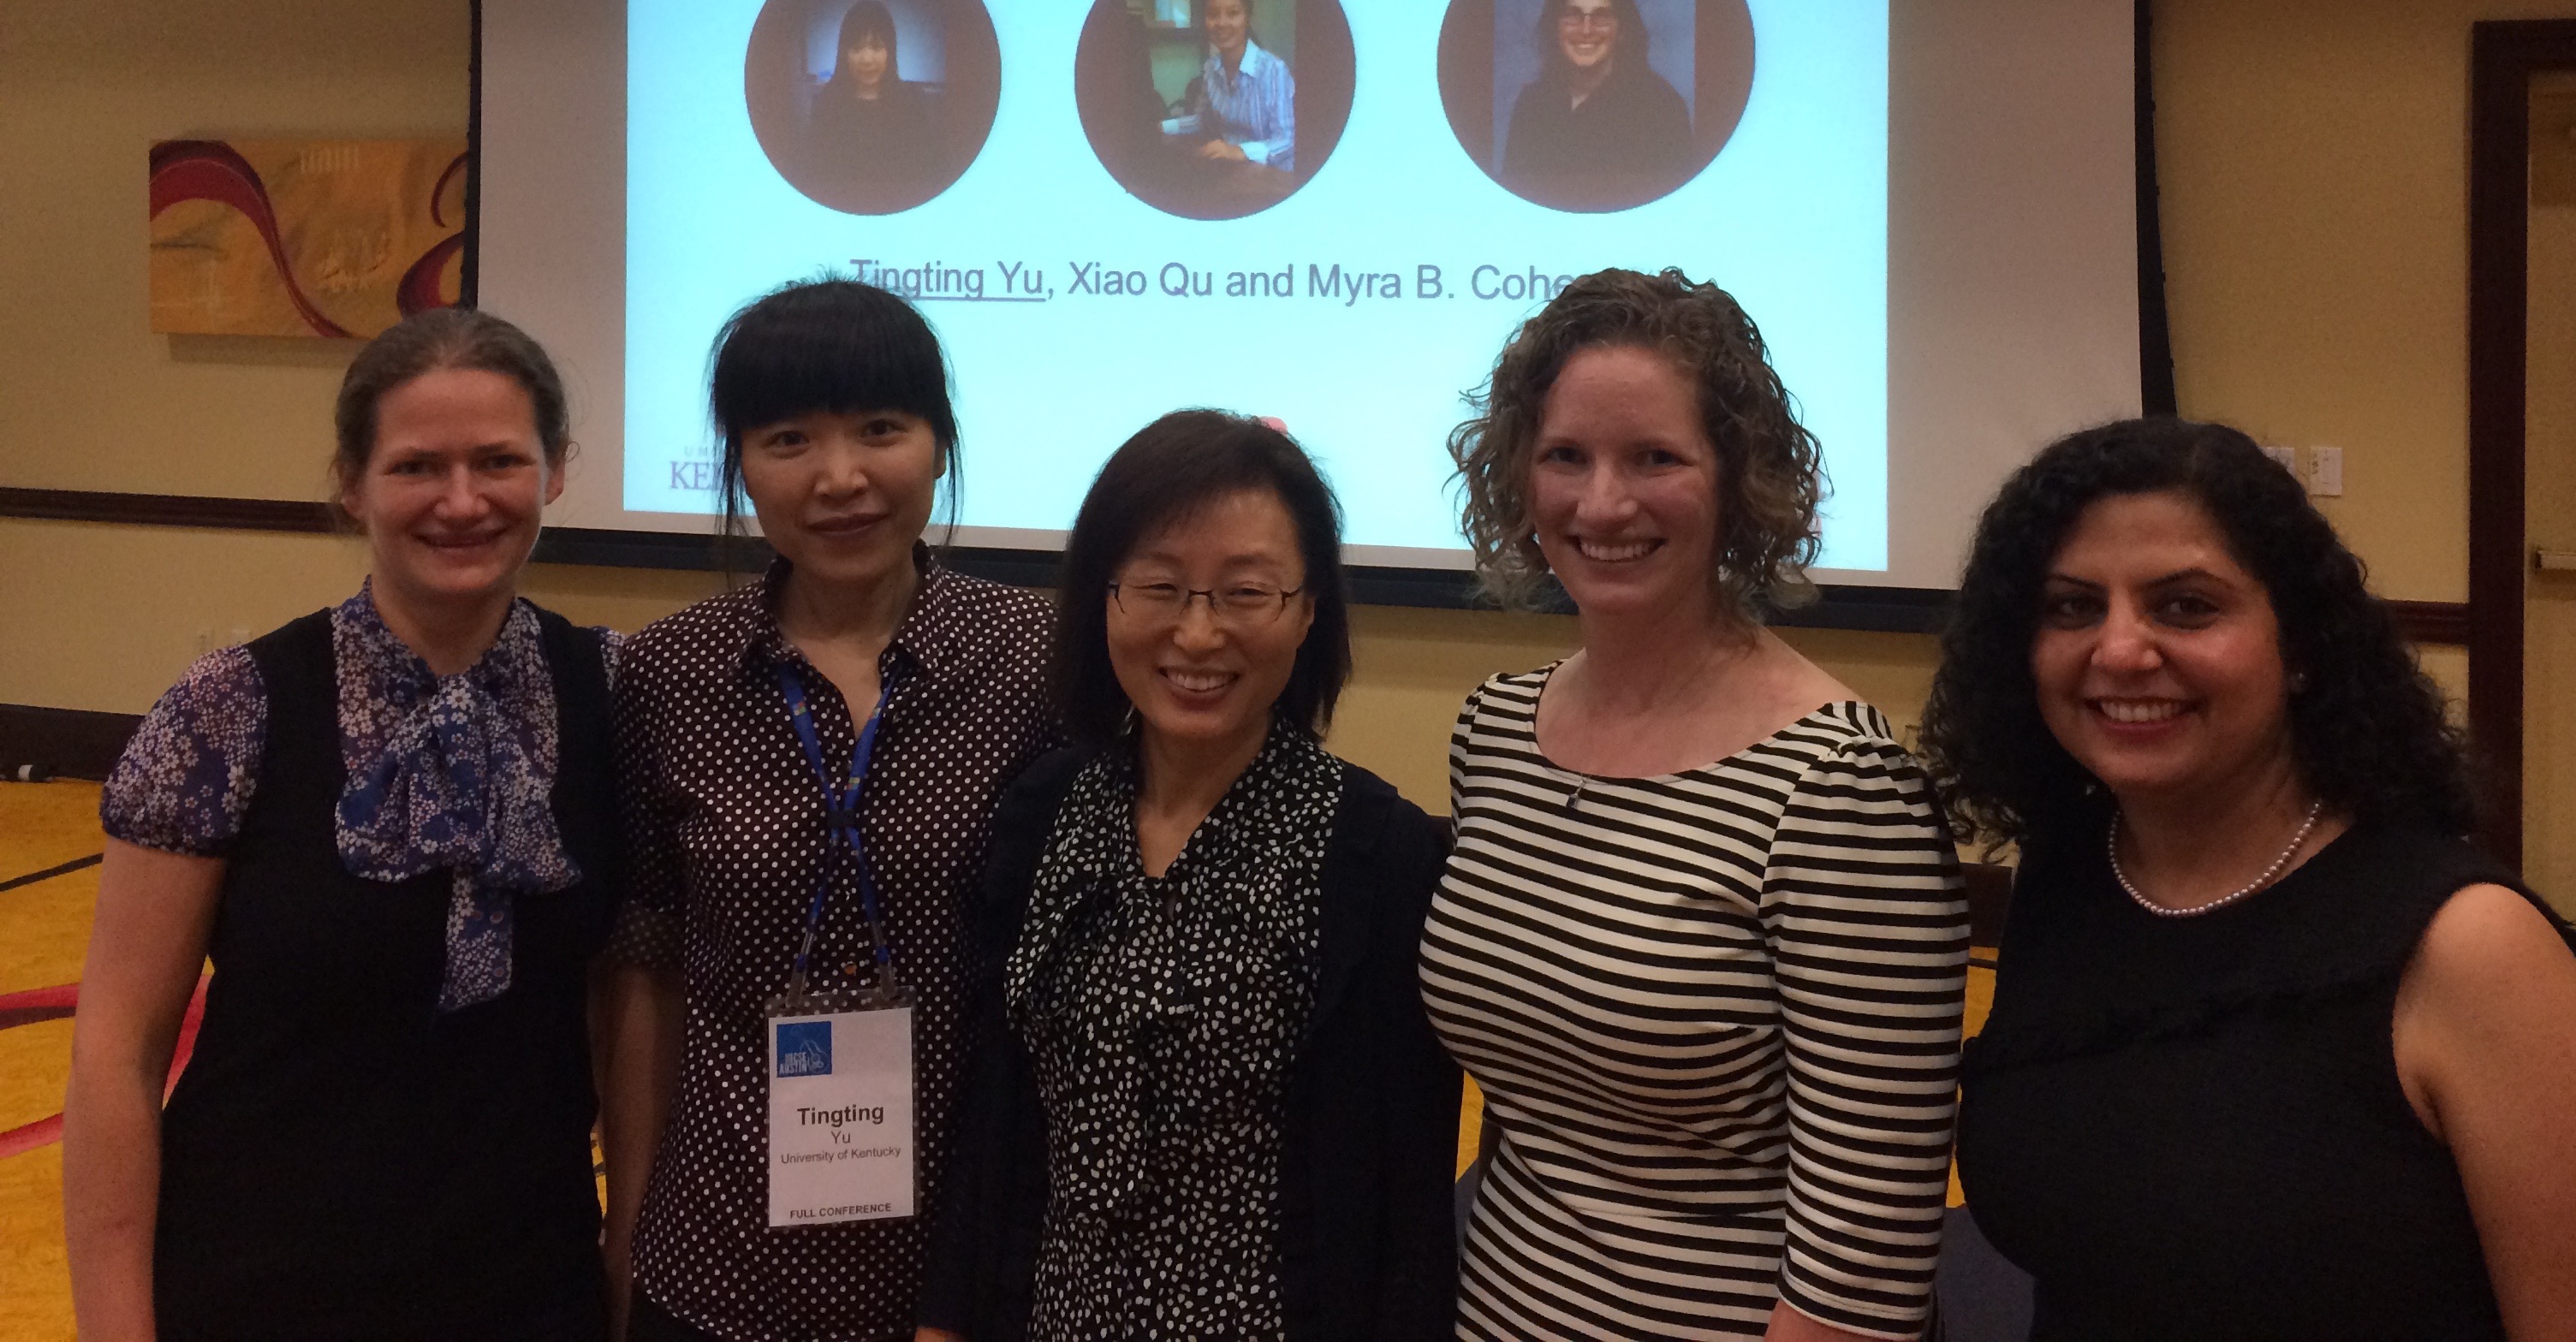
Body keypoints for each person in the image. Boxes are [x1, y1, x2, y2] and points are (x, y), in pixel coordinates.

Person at [1924, 418, 2576, 1342]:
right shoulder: (2069, 877)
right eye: (2073, 607)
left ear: (2303, 646)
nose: (2118, 650)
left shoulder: (2469, 948)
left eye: (2185, 606)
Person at [1419, 269, 1968, 1342]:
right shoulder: (1496, 731)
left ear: (1739, 480)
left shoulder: (1841, 787)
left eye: (1655, 458)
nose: (1602, 504)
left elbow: (1864, 1254)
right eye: (1565, 456)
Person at [63, 309, 620, 1342]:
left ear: (556, 472)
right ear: (351, 482)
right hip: (258, 1284)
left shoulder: (616, 695)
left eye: (499, 460)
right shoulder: (231, 710)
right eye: (417, 466)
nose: (463, 500)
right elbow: (117, 1056)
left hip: (527, 1284)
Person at [917, 411, 1460, 1342]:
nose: (1198, 634)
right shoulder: (1045, 810)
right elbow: (999, 1116)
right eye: (1159, 587)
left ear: (1308, 609)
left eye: (1246, 592)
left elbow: (1405, 1196)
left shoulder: (1379, 855)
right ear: (1105, 597)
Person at [602, 278, 1055, 1342]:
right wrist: (627, 1224)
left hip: (963, 1265)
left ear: (940, 444)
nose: (840, 477)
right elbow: (645, 966)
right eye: (789, 439)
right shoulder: (669, 674)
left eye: (881, 429)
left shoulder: (1038, 660)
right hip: (720, 1258)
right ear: (740, 464)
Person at [1497, 0, 1695, 211]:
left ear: (1622, 30)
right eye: (1573, 16)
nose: (1586, 30)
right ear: (1555, 26)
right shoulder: (1531, 105)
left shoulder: (1662, 109)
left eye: (1601, 17)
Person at [806, 0, 941, 212]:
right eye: (856, 48)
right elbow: (816, 176)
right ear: (844, 54)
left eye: (877, 47)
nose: (867, 59)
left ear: (890, 51)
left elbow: (927, 171)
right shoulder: (826, 104)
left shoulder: (912, 101)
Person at [1177, 0, 1295, 172]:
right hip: (1230, 170)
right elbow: (1203, 120)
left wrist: (1237, 151)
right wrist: (1164, 127)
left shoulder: (1273, 70)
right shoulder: (1211, 69)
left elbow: (1288, 139)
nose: (1221, 23)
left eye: (1233, 14)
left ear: (1247, 18)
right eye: (1213, 14)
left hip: (1271, 176)